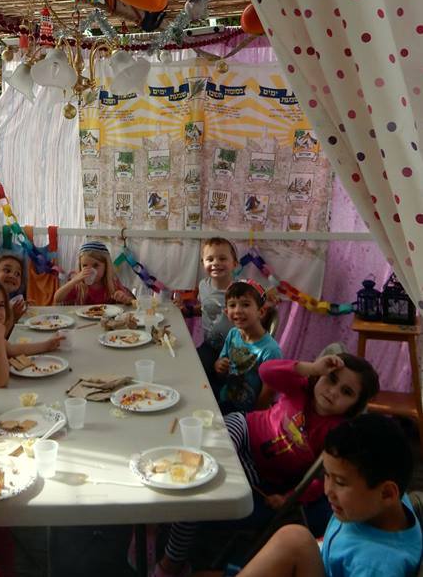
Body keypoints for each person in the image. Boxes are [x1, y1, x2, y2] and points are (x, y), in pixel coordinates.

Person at [156, 353, 380, 575]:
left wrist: (290, 497)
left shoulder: (336, 433)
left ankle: (170, 559)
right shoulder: (300, 388)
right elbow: (266, 371)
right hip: (243, 430)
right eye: (331, 379)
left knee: (201, 490)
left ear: (354, 405)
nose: (333, 391)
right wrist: (311, 368)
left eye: (346, 392)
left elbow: (321, 479)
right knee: (198, 471)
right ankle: (160, 534)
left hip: (257, 472)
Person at [237, 414, 422, 577]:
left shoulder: (375, 567)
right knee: (294, 539)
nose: (327, 490)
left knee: (294, 538)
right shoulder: (379, 505)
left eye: (340, 482)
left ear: (387, 493)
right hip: (323, 560)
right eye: (326, 475)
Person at [174, 237, 238, 382]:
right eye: (210, 259)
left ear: (234, 263)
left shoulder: (240, 291)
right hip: (209, 345)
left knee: (224, 380)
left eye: (222, 258)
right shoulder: (203, 285)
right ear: (203, 263)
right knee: (194, 366)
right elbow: (206, 308)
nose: (216, 263)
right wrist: (188, 311)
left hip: (234, 349)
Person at [214, 281, 282, 413]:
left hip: (247, 414)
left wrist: (253, 419)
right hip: (225, 399)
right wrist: (219, 365)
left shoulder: (271, 351)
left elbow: (268, 395)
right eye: (232, 305)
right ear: (227, 312)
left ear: (261, 312)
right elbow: (221, 362)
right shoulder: (233, 334)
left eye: (245, 304)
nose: (238, 310)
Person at [53, 241, 135, 306]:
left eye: (95, 265)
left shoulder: (112, 283)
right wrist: (74, 280)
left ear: (106, 266)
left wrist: (125, 299)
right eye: (85, 265)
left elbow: (132, 302)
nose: (90, 270)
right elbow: (57, 299)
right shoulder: (78, 285)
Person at [0, 251, 28, 328]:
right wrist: (13, 317)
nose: (12, 276)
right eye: (7, 270)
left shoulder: (5, 300)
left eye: (17, 274)